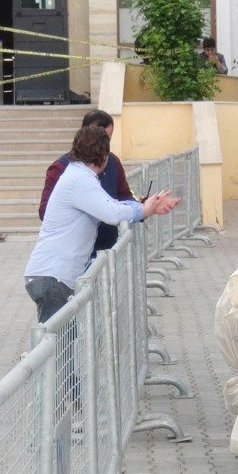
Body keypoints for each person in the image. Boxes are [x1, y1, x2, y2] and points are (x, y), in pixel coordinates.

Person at [25, 124, 180, 324]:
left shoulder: (79, 175)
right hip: (53, 276)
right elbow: (112, 213)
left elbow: (109, 205)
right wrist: (143, 209)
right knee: (58, 345)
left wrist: (145, 207)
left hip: (53, 275)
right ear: (104, 156)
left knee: (62, 343)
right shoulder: (81, 180)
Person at [38, 110, 135, 254]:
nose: (105, 147)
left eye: (108, 140)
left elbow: (124, 195)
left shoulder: (113, 162)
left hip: (106, 249)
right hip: (74, 252)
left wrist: (142, 207)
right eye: (100, 140)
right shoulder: (61, 168)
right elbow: (45, 211)